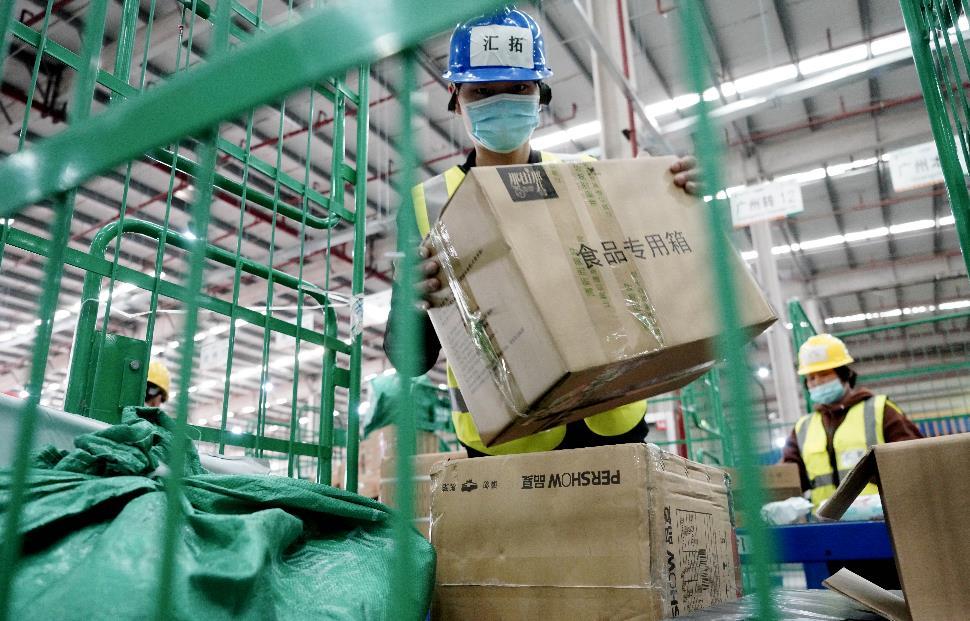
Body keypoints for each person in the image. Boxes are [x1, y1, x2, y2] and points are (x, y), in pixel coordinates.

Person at [384, 7, 700, 458]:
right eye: (482, 91)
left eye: (519, 88)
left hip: (610, 428)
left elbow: (661, 284)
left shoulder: (586, 179)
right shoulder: (426, 206)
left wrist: (680, 206)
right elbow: (410, 359)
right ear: (456, 97)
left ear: (540, 94)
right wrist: (411, 302)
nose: (501, 102)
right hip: (506, 447)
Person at [782, 334, 923, 509]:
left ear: (844, 374)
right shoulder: (803, 427)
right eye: (811, 378)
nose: (817, 382)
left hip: (881, 517)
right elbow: (789, 476)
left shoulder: (880, 410)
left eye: (824, 374)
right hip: (826, 521)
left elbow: (914, 459)